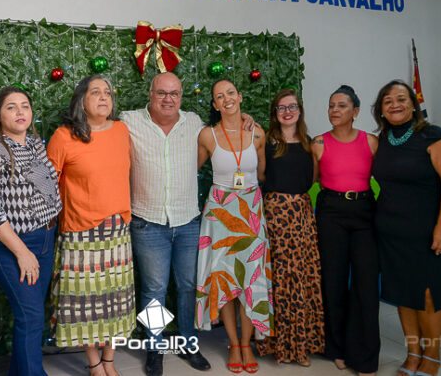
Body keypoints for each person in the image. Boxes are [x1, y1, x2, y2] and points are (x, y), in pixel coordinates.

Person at [120, 72, 211, 376]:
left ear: (181, 96)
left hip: (188, 221)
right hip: (148, 222)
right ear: (150, 93)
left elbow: (226, 130)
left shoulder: (194, 123)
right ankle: (155, 348)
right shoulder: (130, 121)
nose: (168, 99)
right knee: (154, 290)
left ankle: (188, 344)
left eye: (174, 93)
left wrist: (247, 120)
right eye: (162, 93)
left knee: (188, 286)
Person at [47, 75, 135, 376]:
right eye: (95, 92)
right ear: (81, 101)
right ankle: (94, 363)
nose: (103, 97)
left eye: (107, 92)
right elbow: (48, 185)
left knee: (116, 302)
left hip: (117, 230)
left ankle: (109, 359)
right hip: (79, 231)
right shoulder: (63, 136)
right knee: (84, 306)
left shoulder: (122, 130)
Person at [0, 86, 62, 376]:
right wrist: (22, 253)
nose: (20, 111)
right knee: (31, 316)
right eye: (11, 107)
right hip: (14, 245)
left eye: (25, 105)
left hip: (45, 238)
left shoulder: (35, 144)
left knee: (32, 316)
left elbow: (47, 190)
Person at [371, 80, 441, 376]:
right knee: (403, 294)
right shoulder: (383, 139)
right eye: (388, 101)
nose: (395, 105)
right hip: (392, 232)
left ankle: (432, 356)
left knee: (428, 295)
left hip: (429, 231)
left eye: (401, 99)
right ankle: (413, 353)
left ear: (413, 104)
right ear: (381, 110)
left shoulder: (431, 135)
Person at [195, 79, 272, 375]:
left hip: (251, 212)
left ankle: (247, 343)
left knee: (251, 279)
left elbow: (262, 173)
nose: (226, 99)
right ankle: (234, 344)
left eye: (230, 93)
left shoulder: (257, 133)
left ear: (239, 97)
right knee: (224, 279)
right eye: (219, 96)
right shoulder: (207, 135)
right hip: (220, 214)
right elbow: (191, 169)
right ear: (215, 105)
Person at [311, 85, 380, 376]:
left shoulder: (371, 142)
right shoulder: (318, 143)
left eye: (341, 105)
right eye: (331, 105)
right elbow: (311, 179)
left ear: (356, 111)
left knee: (366, 284)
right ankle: (336, 348)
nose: (334, 110)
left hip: (364, 212)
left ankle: (364, 356)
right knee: (334, 281)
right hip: (331, 212)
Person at [255, 89, 324, 367]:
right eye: (281, 107)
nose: (287, 112)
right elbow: (261, 175)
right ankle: (279, 344)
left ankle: (301, 345)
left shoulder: (310, 143)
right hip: (276, 215)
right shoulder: (267, 142)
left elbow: (314, 178)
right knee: (279, 278)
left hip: (302, 214)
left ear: (300, 110)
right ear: (275, 113)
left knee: (302, 277)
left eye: (292, 106)